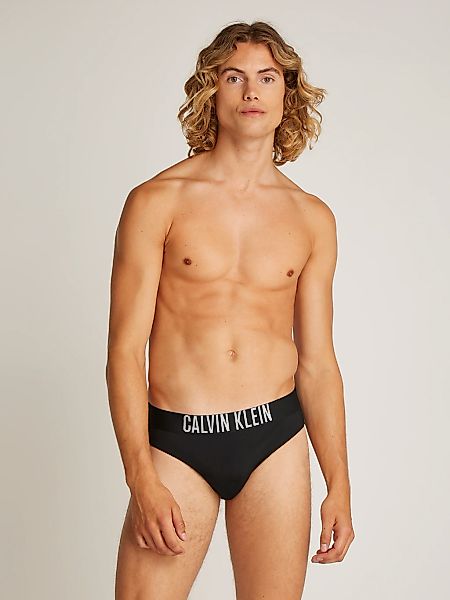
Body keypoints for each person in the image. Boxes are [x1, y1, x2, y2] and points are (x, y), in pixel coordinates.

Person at [106, 20, 355, 600]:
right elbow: (124, 350)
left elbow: (318, 363)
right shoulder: (156, 201)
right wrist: (140, 477)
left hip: (274, 439)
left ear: (287, 94)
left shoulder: (312, 218)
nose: (251, 91)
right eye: (234, 77)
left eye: (267, 78)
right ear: (211, 90)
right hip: (177, 440)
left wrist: (339, 482)